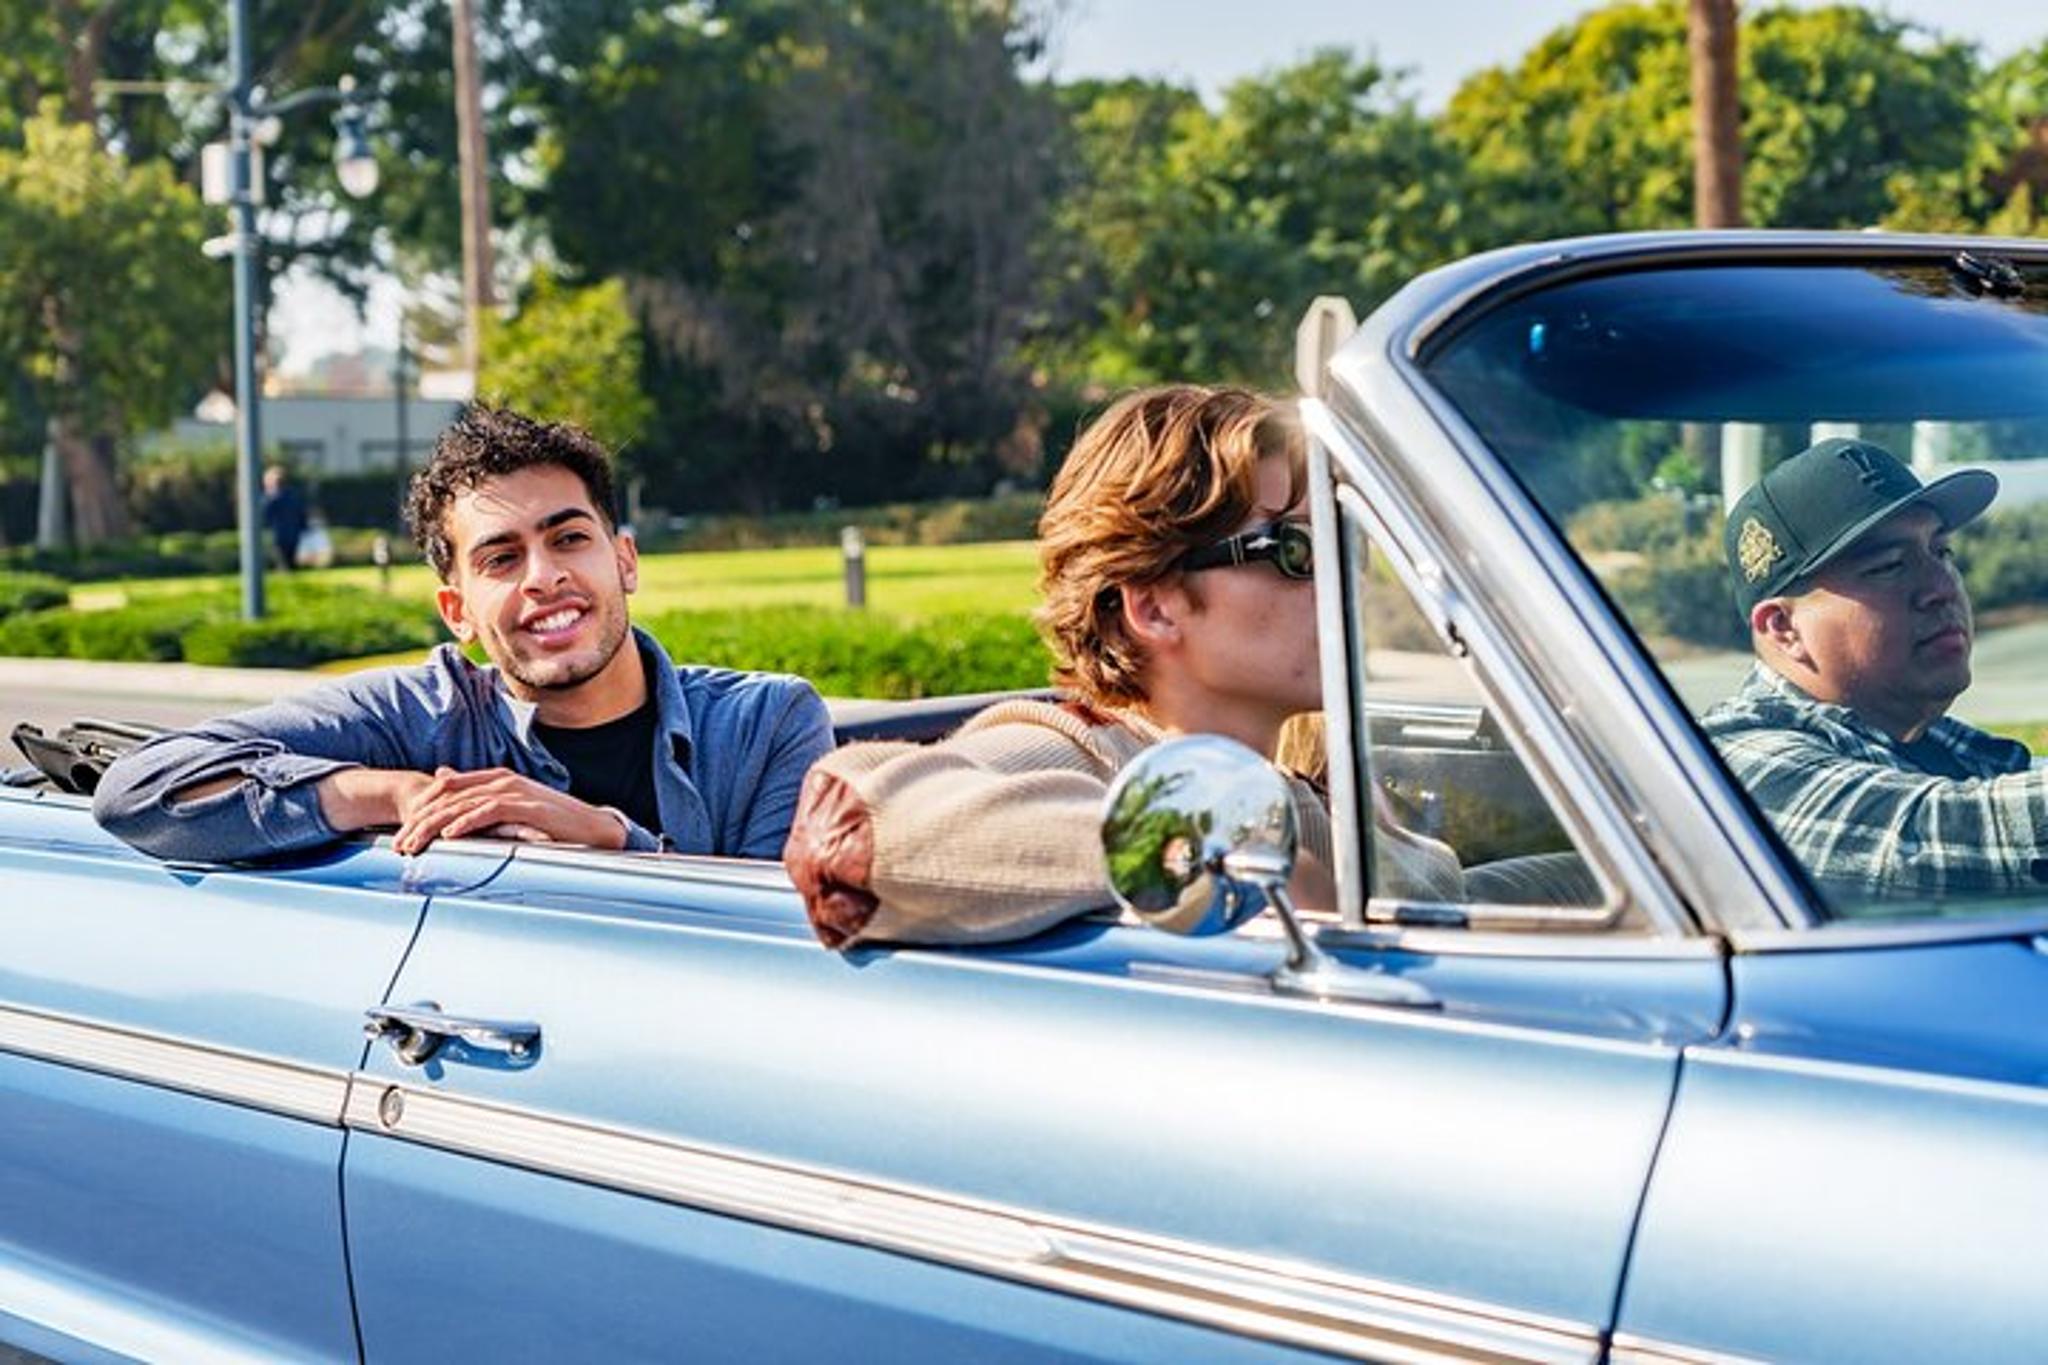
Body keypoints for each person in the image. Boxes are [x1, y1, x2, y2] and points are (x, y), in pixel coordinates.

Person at [782, 384, 1462, 949]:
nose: (1345, 586)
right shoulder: (1084, 751)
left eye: (1348, 550)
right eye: (1296, 551)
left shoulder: (1317, 779)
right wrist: (1217, 850)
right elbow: (855, 823)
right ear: (1154, 605)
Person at [96, 405, 833, 862]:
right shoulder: (419, 716)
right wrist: (392, 794)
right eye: (501, 558)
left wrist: (607, 838)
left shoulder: (768, 723)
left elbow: (787, 938)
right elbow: (140, 788)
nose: (543, 577)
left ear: (625, 560)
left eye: (569, 539)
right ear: (459, 613)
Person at [1703, 436, 2048, 897]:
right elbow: (1931, 837)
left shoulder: (1942, 747)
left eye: (1941, 552)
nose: (1941, 587)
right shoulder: (1733, 764)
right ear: (1783, 628)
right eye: (1887, 566)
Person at [262, 465, 309, 571]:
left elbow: (265, 514)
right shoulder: (293, 494)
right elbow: (302, 513)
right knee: (290, 561)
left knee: (283, 562)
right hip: (294, 532)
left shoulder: (273, 497)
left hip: (280, 534)